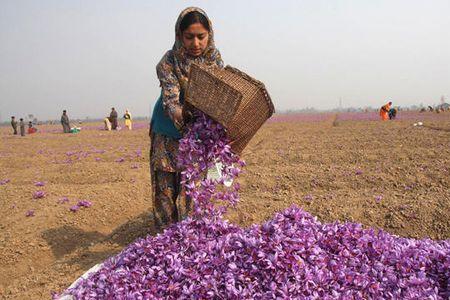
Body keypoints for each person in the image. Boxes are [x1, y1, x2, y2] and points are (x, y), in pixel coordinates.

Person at [149, 7, 224, 230]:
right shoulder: (168, 61)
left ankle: (192, 236)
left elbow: (220, 94)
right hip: (168, 131)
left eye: (201, 36)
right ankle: (165, 238)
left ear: (209, 35)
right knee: (166, 189)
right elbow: (171, 101)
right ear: (179, 36)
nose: (196, 43)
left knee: (194, 188)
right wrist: (187, 113)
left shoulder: (214, 59)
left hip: (198, 134)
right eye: (189, 37)